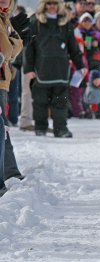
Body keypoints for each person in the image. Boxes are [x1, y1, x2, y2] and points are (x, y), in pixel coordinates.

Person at [24, 0, 87, 138]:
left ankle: (61, 129)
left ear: (59, 5)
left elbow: (73, 47)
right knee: (40, 102)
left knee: (60, 102)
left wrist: (80, 65)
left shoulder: (65, 23)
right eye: (49, 3)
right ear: (44, 5)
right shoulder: (35, 22)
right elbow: (29, 48)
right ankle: (40, 127)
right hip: (41, 69)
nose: (52, 6)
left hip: (61, 71)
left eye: (54, 3)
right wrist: (28, 68)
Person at [1, 0, 26, 179]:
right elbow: (9, 49)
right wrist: (14, 42)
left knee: (3, 127)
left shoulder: (5, 18)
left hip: (3, 79)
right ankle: (9, 173)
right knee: (2, 128)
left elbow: (16, 46)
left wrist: (14, 43)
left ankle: (10, 172)